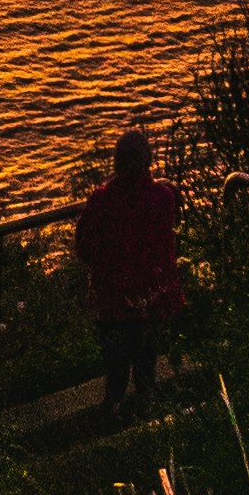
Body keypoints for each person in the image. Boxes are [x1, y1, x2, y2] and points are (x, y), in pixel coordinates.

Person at [75, 122, 183, 423]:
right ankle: (148, 412)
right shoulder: (163, 198)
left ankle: (113, 414)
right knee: (146, 364)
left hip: (113, 301)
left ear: (117, 163)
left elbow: (83, 247)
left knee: (116, 367)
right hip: (152, 298)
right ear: (148, 161)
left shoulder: (101, 201)